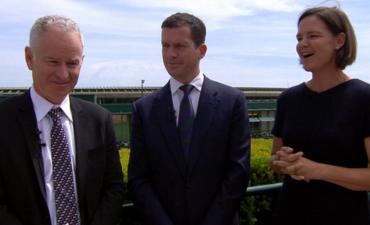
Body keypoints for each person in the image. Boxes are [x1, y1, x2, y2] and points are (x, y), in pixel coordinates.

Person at [270, 6, 370, 225]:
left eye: (313, 36)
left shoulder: (368, 98)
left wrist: (317, 170)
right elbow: (274, 159)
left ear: (339, 41)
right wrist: (282, 161)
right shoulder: (288, 99)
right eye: (299, 37)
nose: (302, 43)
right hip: (289, 214)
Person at [127, 12, 251, 225]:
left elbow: (238, 172)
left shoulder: (233, 102)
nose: (170, 54)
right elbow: (138, 178)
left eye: (179, 46)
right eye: (165, 46)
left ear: (201, 50)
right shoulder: (144, 109)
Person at [0, 15, 124, 225]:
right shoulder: (4, 120)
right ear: (29, 58)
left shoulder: (99, 120)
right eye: (53, 62)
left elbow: (113, 187)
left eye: (72, 63)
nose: (63, 73)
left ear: (82, 61)